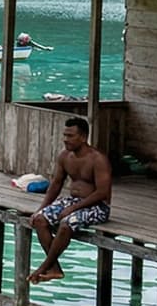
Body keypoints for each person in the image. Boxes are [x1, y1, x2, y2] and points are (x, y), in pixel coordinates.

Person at [27, 116, 113, 282]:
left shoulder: (98, 159)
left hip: (97, 206)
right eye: (65, 135)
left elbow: (102, 192)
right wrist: (41, 209)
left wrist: (73, 209)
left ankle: (44, 266)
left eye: (70, 136)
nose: (66, 139)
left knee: (66, 224)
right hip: (73, 201)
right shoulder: (65, 156)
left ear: (83, 137)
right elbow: (56, 184)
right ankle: (55, 269)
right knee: (39, 220)